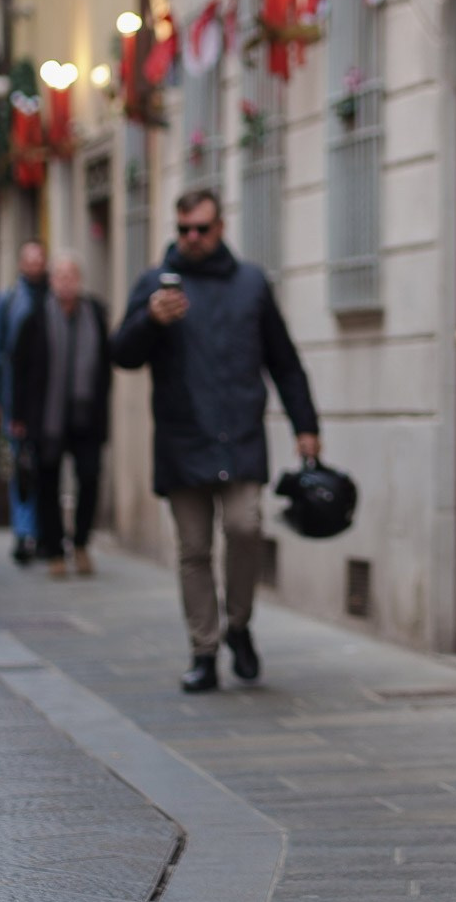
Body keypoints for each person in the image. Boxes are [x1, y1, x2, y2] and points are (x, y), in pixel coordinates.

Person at [110, 188, 320, 693]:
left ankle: (240, 625)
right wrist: (149, 320)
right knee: (194, 549)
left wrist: (306, 426)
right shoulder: (155, 286)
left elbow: (283, 361)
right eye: (183, 230)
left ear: (221, 228)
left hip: (240, 435)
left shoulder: (251, 283)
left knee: (246, 528)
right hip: (183, 438)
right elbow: (121, 354)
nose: (192, 239)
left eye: (202, 229)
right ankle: (203, 650)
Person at [12, 252, 111, 579]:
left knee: (90, 477)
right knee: (48, 483)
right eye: (60, 276)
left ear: (79, 280)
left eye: (71, 276)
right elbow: (21, 370)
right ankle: (54, 549)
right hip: (47, 418)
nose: (66, 282)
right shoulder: (36, 318)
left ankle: (80, 542)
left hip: (86, 416)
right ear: (52, 281)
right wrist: (20, 415)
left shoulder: (95, 313)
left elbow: (105, 368)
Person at [0, 239, 49, 563]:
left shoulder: (53, 298)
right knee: (22, 467)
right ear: (21, 263)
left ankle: (43, 531)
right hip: (16, 400)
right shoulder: (8, 300)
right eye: (30, 259)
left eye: (40, 259)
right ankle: (25, 533)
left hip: (49, 402)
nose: (35, 264)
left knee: (44, 467)